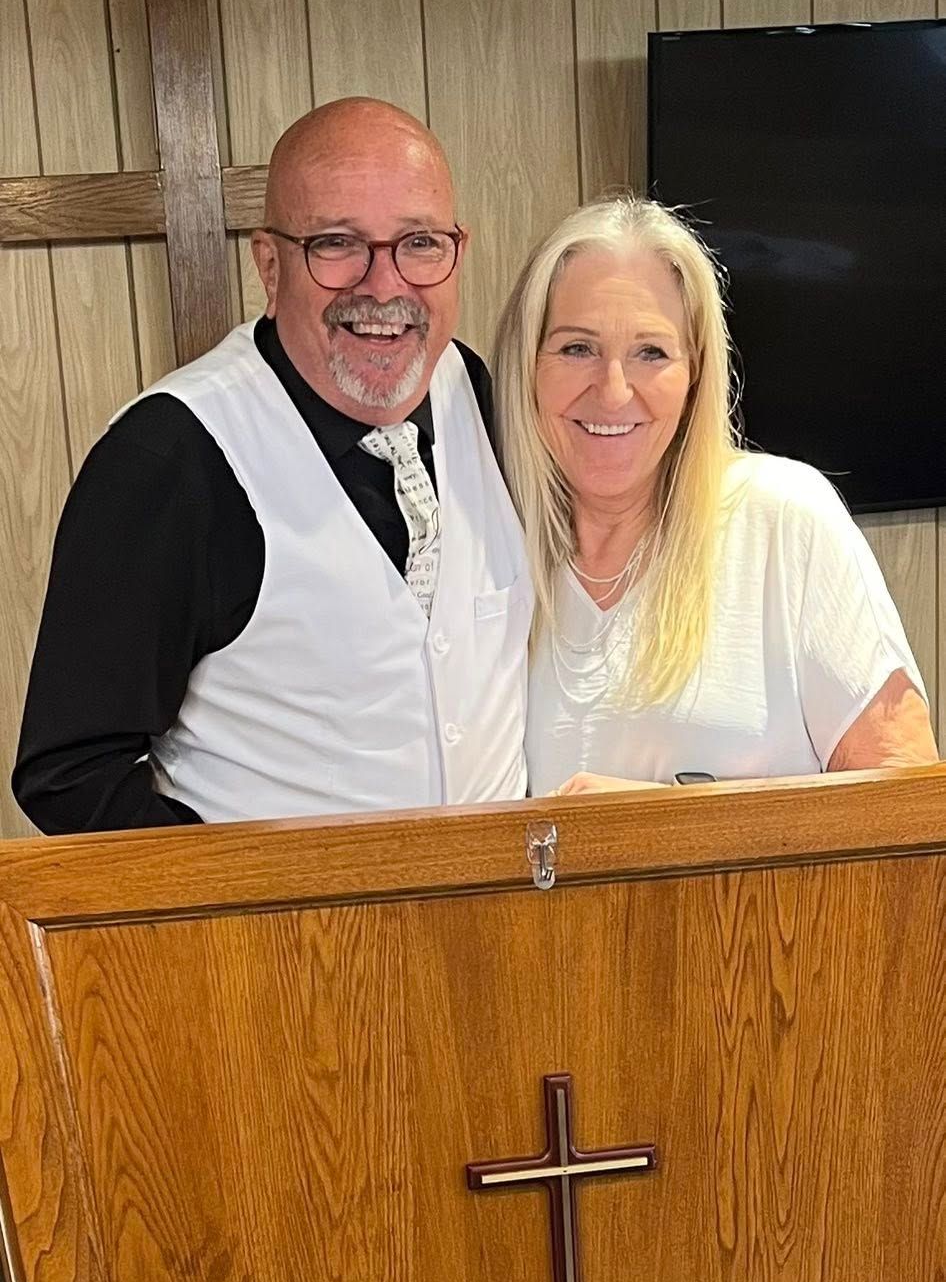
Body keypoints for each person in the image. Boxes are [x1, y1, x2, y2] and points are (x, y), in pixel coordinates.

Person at [14, 99, 531, 832]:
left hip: (502, 924)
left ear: (457, 250)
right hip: (285, 941)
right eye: (336, 243)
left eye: (418, 242)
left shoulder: (476, 389)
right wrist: (242, 924)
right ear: (269, 263)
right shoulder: (166, 462)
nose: (383, 286)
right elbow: (70, 773)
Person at [493, 195, 938, 795]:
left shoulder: (784, 520)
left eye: (651, 352)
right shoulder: (495, 548)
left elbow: (906, 804)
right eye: (578, 348)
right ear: (528, 364)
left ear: (695, 373)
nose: (615, 390)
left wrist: (664, 828)